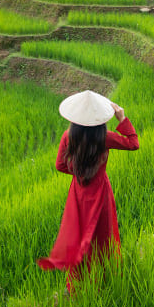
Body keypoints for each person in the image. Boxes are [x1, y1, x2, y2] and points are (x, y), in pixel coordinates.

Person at [37, 90, 139, 293]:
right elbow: (133, 143)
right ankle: (105, 273)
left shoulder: (69, 136)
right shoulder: (104, 137)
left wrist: (79, 173)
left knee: (80, 232)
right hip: (101, 191)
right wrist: (122, 118)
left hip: (78, 193)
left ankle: (78, 281)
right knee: (103, 232)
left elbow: (59, 165)